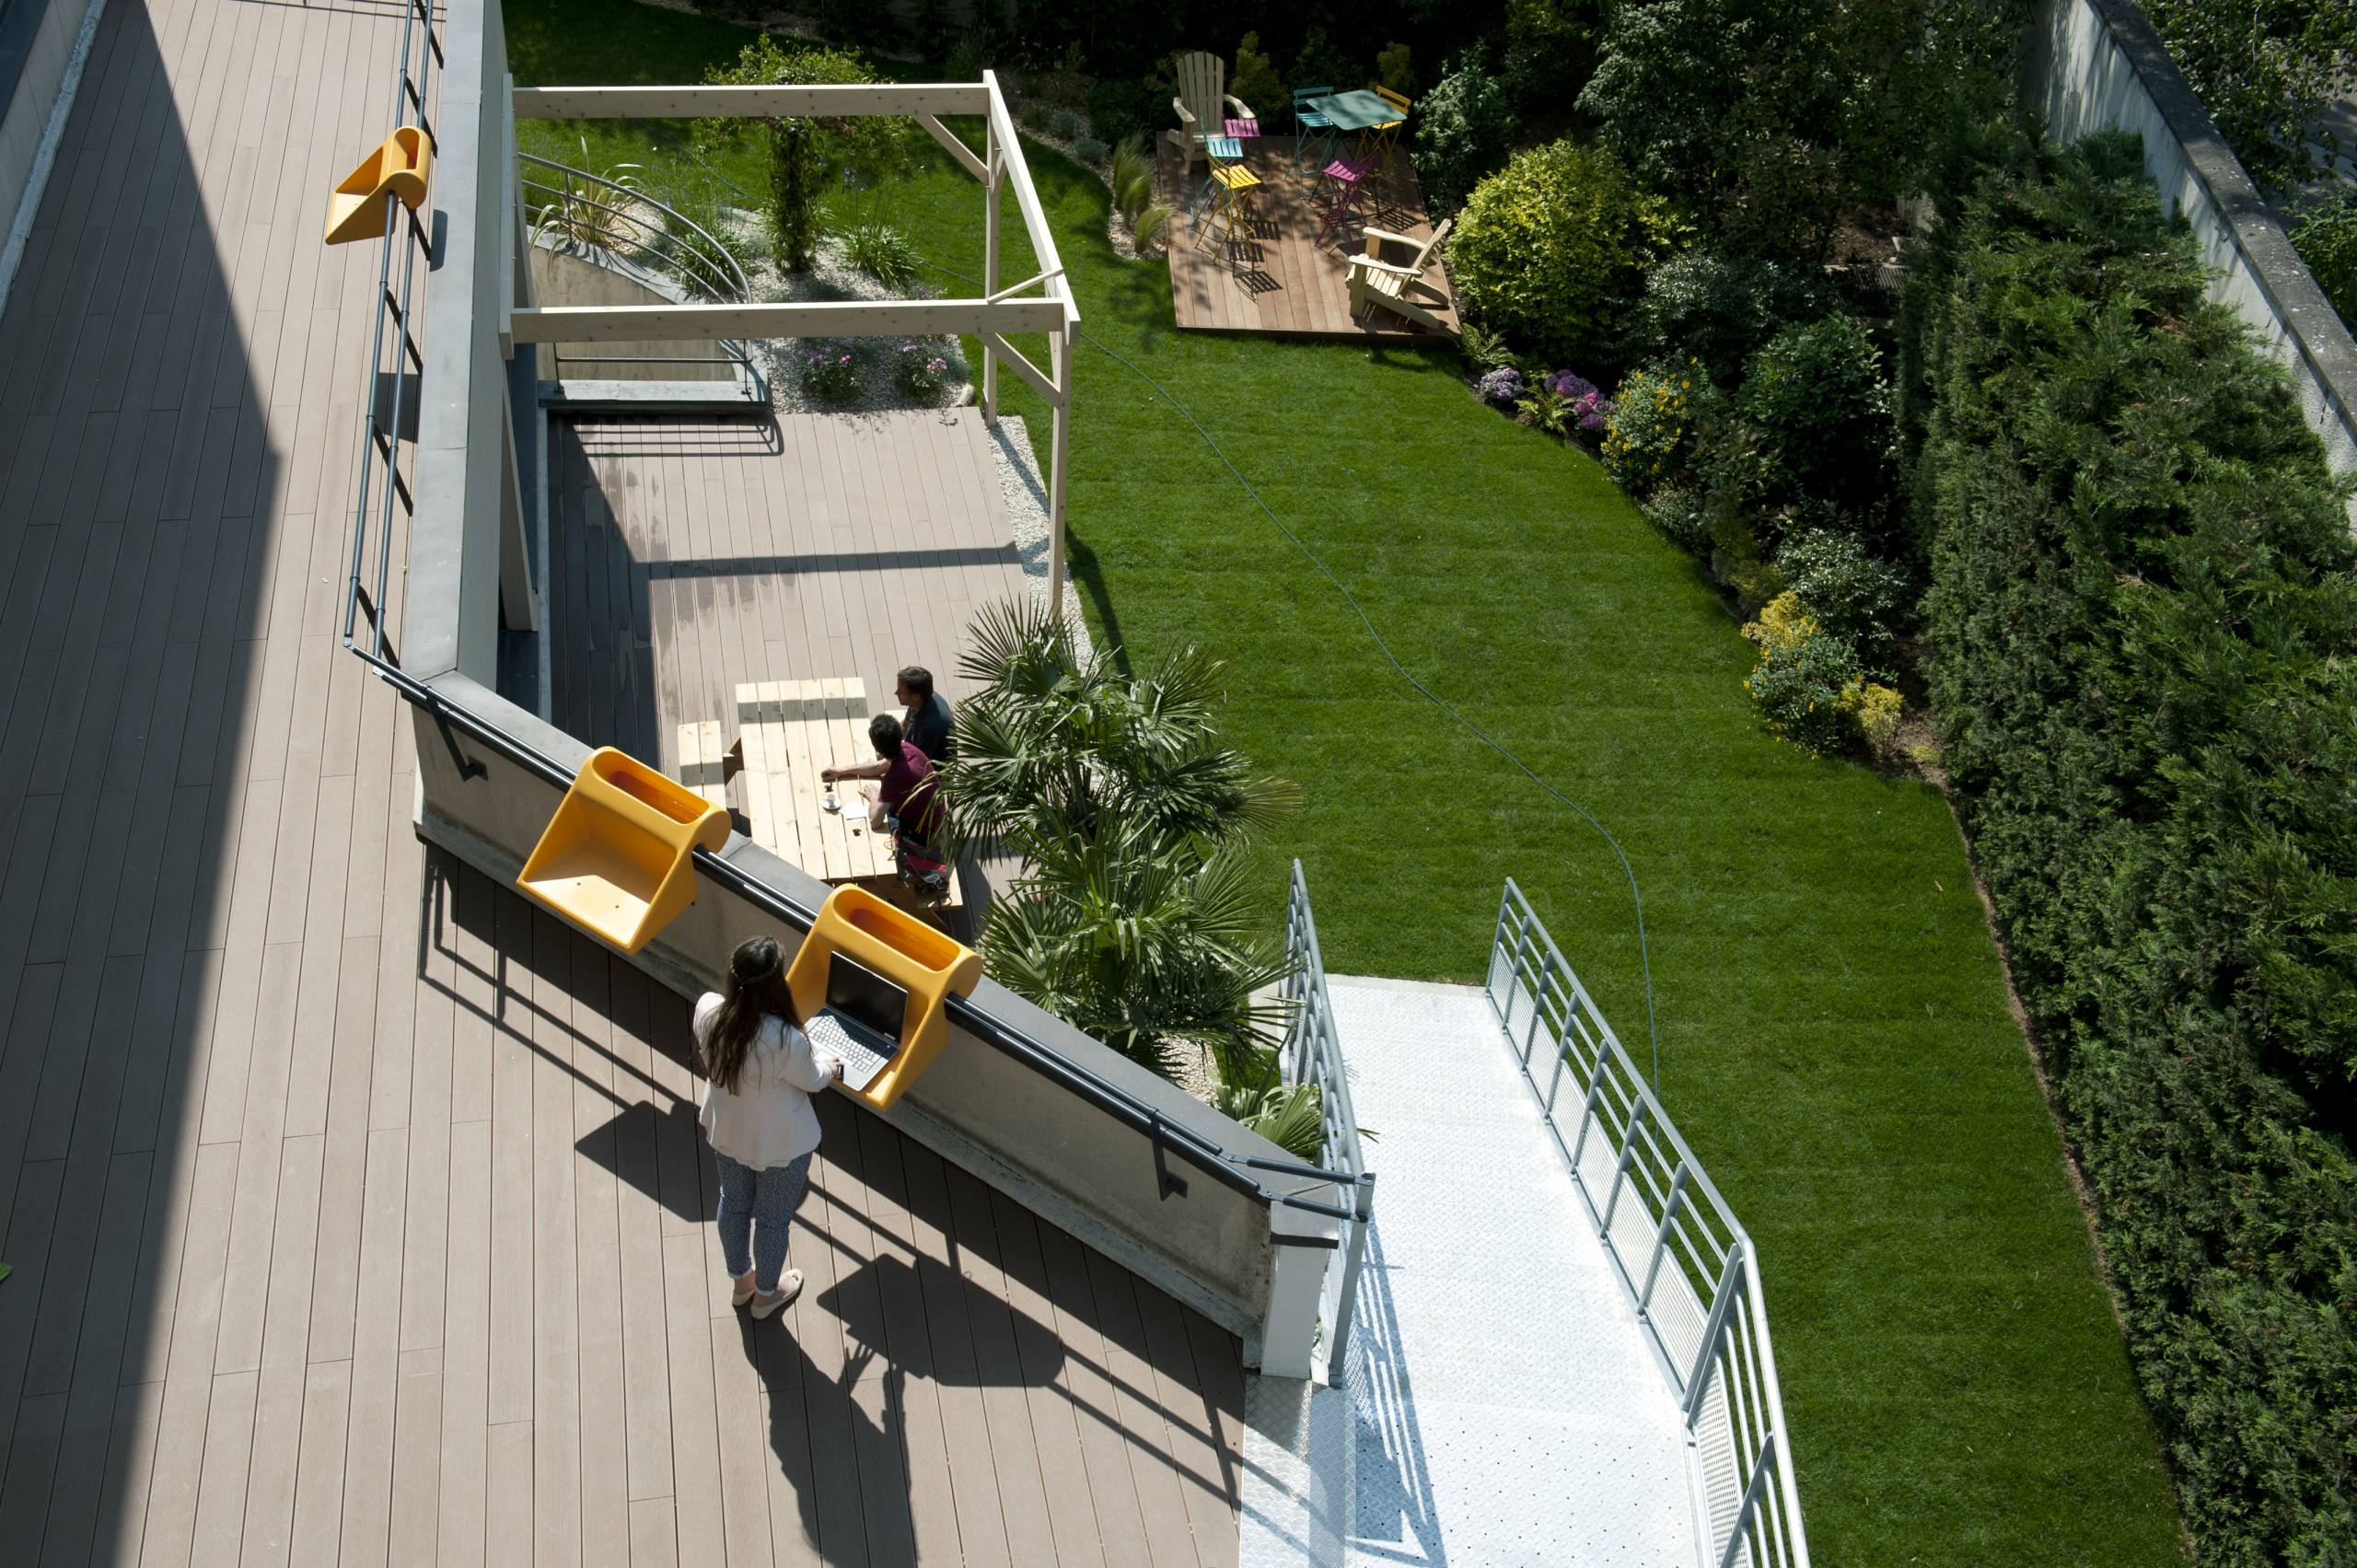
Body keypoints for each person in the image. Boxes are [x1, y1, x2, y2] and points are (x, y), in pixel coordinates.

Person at [692, 935, 844, 1319]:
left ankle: (741, 1282)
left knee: (733, 1202)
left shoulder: (708, 1011)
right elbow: (813, 1079)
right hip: (781, 1146)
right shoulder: (785, 1039)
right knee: (773, 1220)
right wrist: (830, 1062)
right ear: (777, 984)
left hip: (727, 1133)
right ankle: (766, 1295)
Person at [821, 666, 956, 779]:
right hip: (920, 754)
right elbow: (903, 727)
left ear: (915, 696)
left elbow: (887, 765)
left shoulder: (929, 727)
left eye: (901, 692)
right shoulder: (922, 699)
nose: (896, 693)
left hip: (932, 776)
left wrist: (840, 771)